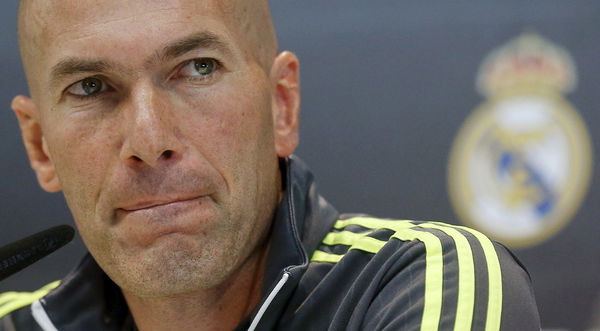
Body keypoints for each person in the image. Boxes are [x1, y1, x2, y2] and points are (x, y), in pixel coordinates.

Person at [0, 0, 541, 330]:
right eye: (91, 87)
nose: (148, 138)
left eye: (197, 68)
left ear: (282, 106)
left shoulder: (426, 283)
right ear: (41, 145)